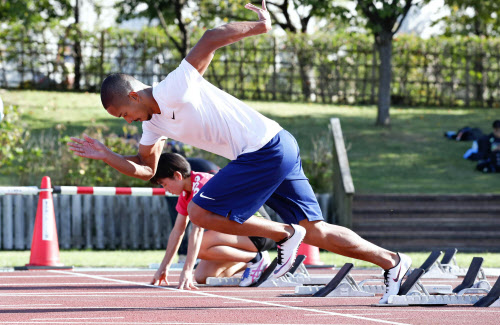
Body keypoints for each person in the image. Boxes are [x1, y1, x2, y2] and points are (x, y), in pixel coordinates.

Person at [69, 0, 411, 304]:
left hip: (263, 150)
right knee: (317, 231)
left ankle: (286, 235)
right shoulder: (152, 126)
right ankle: (393, 263)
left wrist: (261, 26)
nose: (127, 122)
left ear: (132, 96)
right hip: (277, 147)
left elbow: (208, 39)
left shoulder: (174, 86)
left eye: (123, 114)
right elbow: (146, 170)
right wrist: (106, 154)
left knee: (200, 212)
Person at [149, 153, 273, 289]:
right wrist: (164, 267)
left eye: (164, 184)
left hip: (259, 231)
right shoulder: (185, 193)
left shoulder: (202, 184)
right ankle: (256, 258)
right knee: (203, 276)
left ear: (178, 176)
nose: (165, 189)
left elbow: (197, 231)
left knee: (200, 244)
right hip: (241, 235)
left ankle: (255, 259)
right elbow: (177, 231)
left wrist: (187, 270)